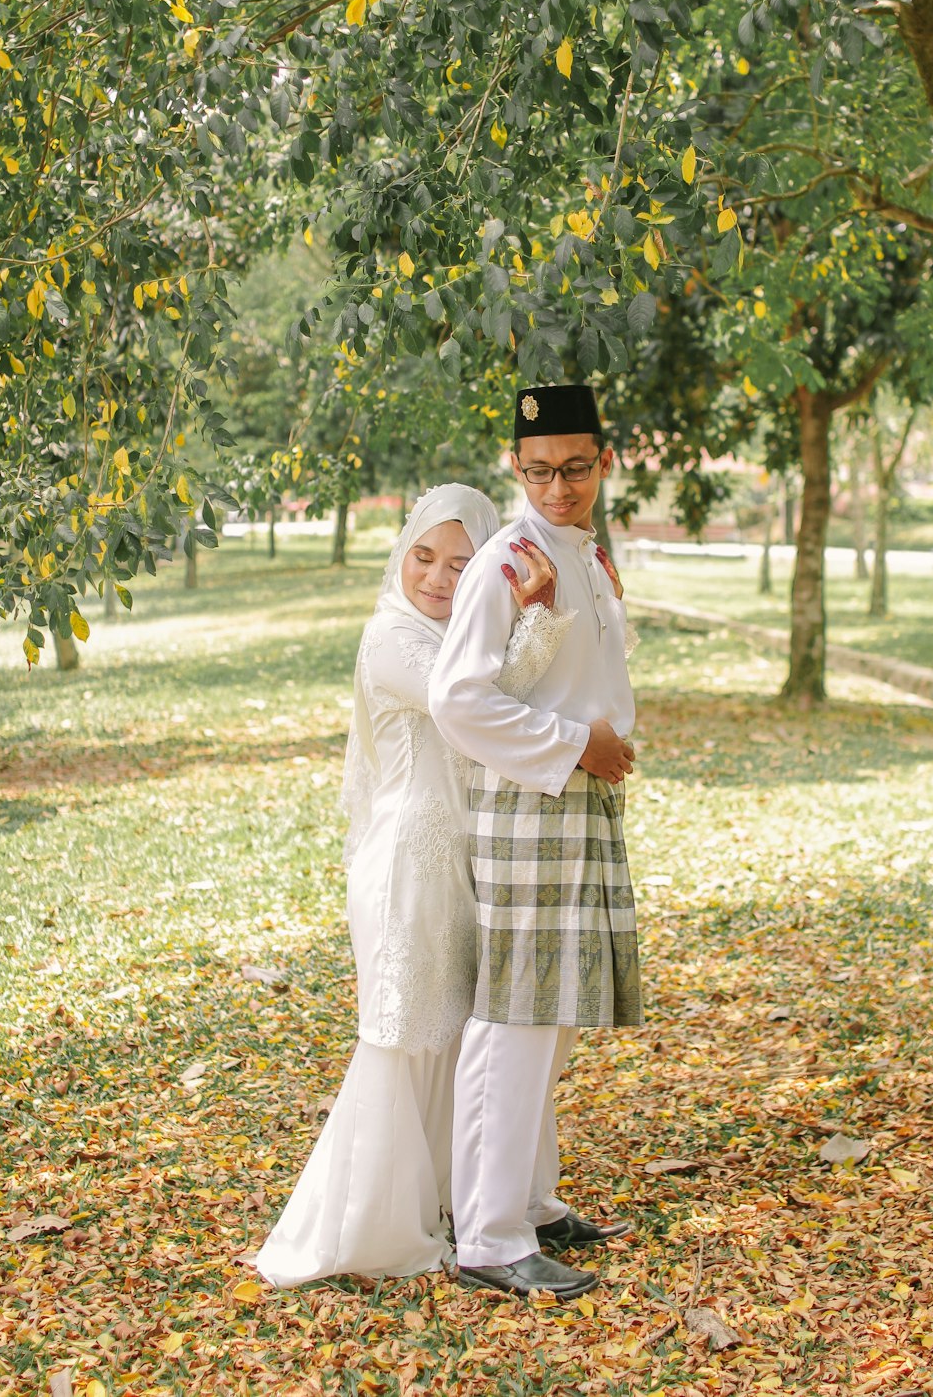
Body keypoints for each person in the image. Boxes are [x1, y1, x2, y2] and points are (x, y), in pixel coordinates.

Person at [255, 484, 571, 1286]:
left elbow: (505, 693)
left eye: (461, 565)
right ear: (402, 554)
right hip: (406, 867)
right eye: (423, 556)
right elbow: (477, 704)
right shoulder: (394, 638)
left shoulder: (457, 635)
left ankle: (463, 1199)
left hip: (459, 865)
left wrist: (529, 609)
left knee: (461, 1036)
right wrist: (535, 618)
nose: (435, 576)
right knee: (403, 1038)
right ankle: (371, 1229)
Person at [428, 385, 642, 1301]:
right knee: (514, 1020)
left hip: (580, 801)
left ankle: (534, 1202)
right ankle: (487, 1235)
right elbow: (457, 699)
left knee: (549, 1018)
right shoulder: (506, 561)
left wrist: (599, 746)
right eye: (541, 471)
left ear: (605, 461)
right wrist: (574, 745)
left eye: (577, 468)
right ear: (517, 469)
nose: (560, 487)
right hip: (529, 805)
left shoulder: (585, 553)